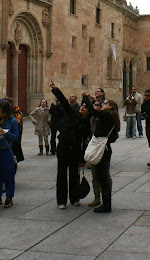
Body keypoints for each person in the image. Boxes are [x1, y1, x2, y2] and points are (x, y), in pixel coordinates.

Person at [50, 81, 88, 209]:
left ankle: (74, 198)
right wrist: (56, 90)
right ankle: (61, 200)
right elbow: (65, 103)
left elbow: (84, 141)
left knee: (74, 173)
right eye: (81, 106)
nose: (81, 108)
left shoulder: (85, 124)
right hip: (64, 146)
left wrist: (83, 158)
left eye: (84, 107)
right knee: (61, 173)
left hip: (76, 149)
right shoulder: (73, 114)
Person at [82, 91, 120, 213]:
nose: (103, 104)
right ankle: (105, 203)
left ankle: (106, 205)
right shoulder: (109, 115)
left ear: (111, 107)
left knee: (103, 177)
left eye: (105, 103)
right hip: (103, 148)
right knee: (101, 176)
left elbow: (93, 111)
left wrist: (85, 98)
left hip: (102, 149)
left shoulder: (108, 115)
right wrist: (93, 100)